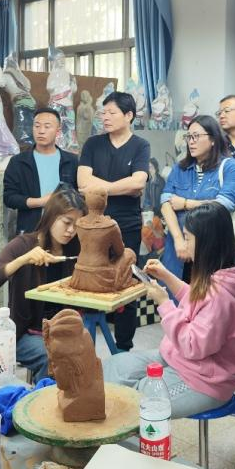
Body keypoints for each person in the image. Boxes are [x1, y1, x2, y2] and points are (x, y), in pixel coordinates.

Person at [103, 203, 235, 418]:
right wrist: (166, 276)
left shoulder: (222, 294)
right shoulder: (222, 274)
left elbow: (192, 345)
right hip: (182, 360)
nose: (184, 245)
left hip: (206, 380)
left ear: (205, 242)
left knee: (138, 403)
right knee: (114, 367)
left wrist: (164, 303)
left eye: (187, 238)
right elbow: (199, 302)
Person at [0, 185, 85, 382]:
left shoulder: (75, 249)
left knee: (84, 355)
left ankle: (63, 397)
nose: (71, 231)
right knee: (52, 356)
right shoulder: (23, 245)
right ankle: (41, 399)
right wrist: (22, 260)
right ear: (51, 216)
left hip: (62, 329)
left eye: (77, 225)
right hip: (24, 333)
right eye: (67, 222)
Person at [77, 90, 150, 351]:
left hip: (127, 224)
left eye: (111, 112)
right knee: (90, 277)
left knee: (126, 280)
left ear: (129, 115)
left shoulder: (140, 145)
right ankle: (86, 342)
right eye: (103, 112)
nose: (105, 117)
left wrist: (100, 188)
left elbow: (138, 182)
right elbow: (82, 182)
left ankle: (124, 346)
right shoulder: (93, 144)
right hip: (93, 225)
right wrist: (122, 187)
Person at [159, 115, 235, 281]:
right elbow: (165, 203)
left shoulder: (230, 167)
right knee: (176, 293)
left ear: (213, 139)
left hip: (212, 251)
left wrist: (185, 203)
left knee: (210, 294)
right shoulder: (180, 168)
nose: (191, 142)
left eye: (196, 136)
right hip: (178, 249)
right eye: (189, 137)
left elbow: (224, 205)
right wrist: (179, 240)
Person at [3, 108, 79, 236]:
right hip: (30, 229)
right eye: (37, 126)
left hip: (66, 231)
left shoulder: (71, 161)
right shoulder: (19, 161)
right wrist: (40, 201)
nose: (41, 131)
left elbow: (80, 195)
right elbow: (9, 198)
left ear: (58, 131)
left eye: (47, 126)